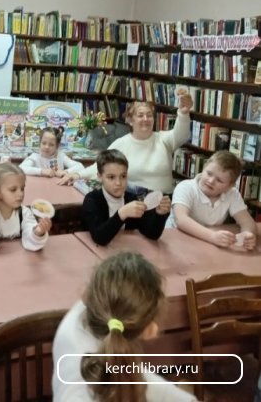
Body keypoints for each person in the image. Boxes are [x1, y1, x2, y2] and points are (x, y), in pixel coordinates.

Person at [52, 251, 197, 402]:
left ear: (87, 294)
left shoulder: (88, 317)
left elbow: (134, 374)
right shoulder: (80, 391)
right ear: (150, 329)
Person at [59, 95, 193, 194]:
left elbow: (181, 134)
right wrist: (77, 175)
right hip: (133, 201)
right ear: (130, 120)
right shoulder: (121, 143)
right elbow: (99, 167)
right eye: (140, 115)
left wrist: (183, 113)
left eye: (149, 115)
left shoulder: (164, 139)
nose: (145, 119)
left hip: (163, 203)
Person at [169, 150, 257, 249]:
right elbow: (181, 220)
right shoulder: (185, 187)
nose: (211, 181)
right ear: (204, 168)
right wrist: (212, 236)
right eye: (209, 173)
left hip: (206, 243)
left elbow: (247, 221)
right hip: (177, 239)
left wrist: (248, 234)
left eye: (219, 180)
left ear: (229, 186)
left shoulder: (232, 193)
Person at [83, 150, 170, 246]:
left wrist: (159, 214)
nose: (118, 183)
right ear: (100, 177)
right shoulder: (92, 200)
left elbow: (152, 234)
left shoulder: (132, 199)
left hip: (125, 250)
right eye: (111, 177)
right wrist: (122, 213)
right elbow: (99, 238)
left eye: (123, 176)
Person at [0, 162, 52, 252]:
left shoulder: (24, 213)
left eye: (22, 188)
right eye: (13, 190)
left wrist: (37, 232)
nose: (21, 194)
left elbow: (30, 241)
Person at [19, 126, 84, 177]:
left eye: (51, 145)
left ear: (57, 146)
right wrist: (41, 171)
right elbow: (21, 169)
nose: (46, 147)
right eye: (44, 143)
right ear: (39, 143)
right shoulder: (35, 157)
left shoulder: (61, 156)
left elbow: (80, 166)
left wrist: (66, 172)